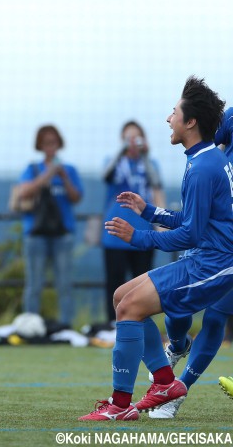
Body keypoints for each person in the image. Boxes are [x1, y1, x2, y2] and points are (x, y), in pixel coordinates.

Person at [79, 76, 233, 421]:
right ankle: (164, 381)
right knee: (122, 297)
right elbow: (192, 219)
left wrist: (139, 237)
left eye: (174, 111)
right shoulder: (202, 159)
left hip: (214, 265)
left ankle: (121, 405)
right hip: (208, 258)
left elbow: (191, 233)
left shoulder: (204, 166)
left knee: (131, 306)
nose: (168, 118)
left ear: (190, 122)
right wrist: (148, 210)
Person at [147, 107, 233, 419]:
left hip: (228, 249)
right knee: (177, 306)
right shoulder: (232, 118)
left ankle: (177, 391)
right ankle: (178, 345)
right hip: (211, 233)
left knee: (215, 319)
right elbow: (208, 142)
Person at [8, 125, 83, 329]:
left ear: (59, 144)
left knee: (64, 283)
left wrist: (63, 176)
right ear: (40, 146)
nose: (51, 147)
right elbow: (24, 192)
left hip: (63, 232)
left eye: (54, 142)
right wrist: (49, 174)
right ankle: (30, 325)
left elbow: (76, 197)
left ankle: (65, 326)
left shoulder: (69, 170)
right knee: (34, 283)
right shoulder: (32, 169)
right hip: (35, 232)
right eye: (46, 143)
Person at [101, 121, 164, 324]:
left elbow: (156, 185)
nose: (132, 142)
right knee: (115, 279)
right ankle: (113, 323)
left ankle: (141, 322)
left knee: (143, 282)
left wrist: (144, 156)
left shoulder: (150, 164)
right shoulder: (113, 161)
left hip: (143, 231)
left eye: (136, 137)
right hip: (115, 231)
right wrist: (121, 152)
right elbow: (106, 176)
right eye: (128, 137)